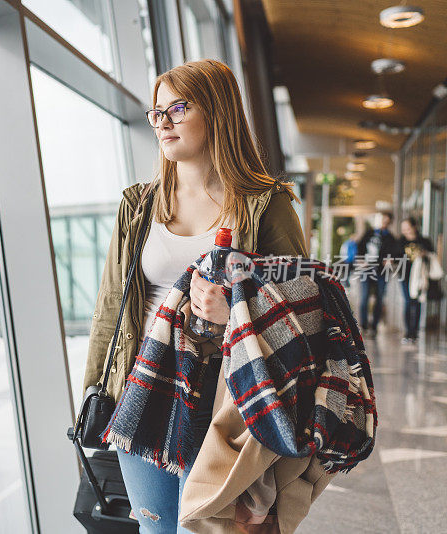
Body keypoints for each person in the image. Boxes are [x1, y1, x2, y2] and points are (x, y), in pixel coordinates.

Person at [80, 59, 309, 533]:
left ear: (218, 112)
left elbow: (303, 303)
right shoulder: (139, 205)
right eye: (156, 111)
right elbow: (111, 305)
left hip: (222, 397)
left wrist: (236, 313)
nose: (162, 121)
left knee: (206, 529)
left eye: (178, 108)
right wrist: (94, 386)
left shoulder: (265, 204)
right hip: (141, 391)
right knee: (155, 528)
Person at [355, 211, 401, 336]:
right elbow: (359, 247)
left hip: (381, 271)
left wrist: (390, 260)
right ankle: (364, 325)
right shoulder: (369, 233)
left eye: (386, 221)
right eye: (382, 220)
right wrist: (360, 259)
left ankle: (374, 326)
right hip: (366, 270)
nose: (383, 223)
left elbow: (396, 254)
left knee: (379, 299)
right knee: (364, 297)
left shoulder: (391, 238)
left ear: (389, 222)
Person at [398, 217, 434, 343]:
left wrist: (425, 254)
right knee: (408, 302)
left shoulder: (424, 241)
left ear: (414, 227)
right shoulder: (400, 241)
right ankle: (408, 332)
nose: (405, 231)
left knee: (417, 302)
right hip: (404, 276)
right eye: (403, 229)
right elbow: (394, 257)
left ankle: (415, 332)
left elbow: (432, 255)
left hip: (419, 277)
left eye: (407, 228)